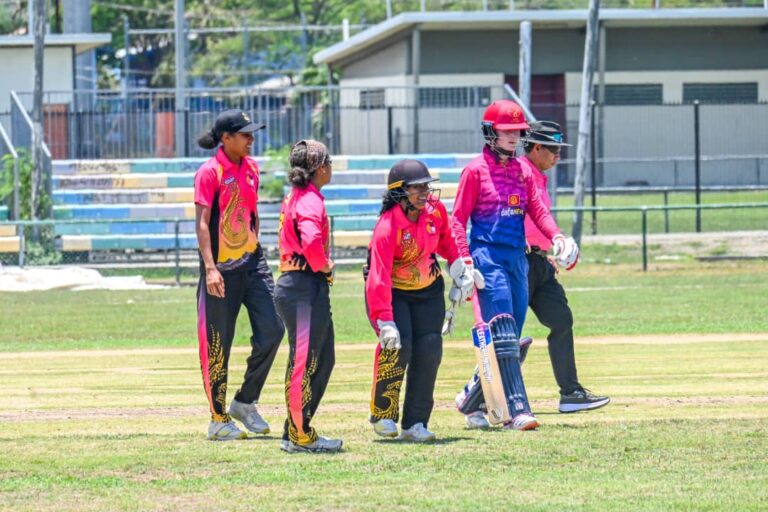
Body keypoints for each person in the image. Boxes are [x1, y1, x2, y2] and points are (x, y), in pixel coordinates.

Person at [451, 100, 579, 431]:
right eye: (507, 130)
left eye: (517, 131)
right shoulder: (474, 171)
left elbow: (537, 211)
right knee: (506, 334)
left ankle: (471, 400)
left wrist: (557, 238)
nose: (513, 136)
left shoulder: (522, 171)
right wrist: (464, 259)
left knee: (509, 337)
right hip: (487, 257)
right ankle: (515, 411)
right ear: (491, 132)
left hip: (517, 259)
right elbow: (458, 220)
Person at [365, 159, 480, 442]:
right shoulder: (388, 226)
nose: (425, 193)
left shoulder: (434, 212)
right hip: (393, 293)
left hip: (428, 290)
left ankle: (415, 422)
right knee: (398, 346)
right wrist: (384, 319)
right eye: (417, 188)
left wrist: (459, 268)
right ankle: (384, 413)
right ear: (399, 192)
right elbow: (377, 276)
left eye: (426, 186)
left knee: (429, 350)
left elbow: (446, 241)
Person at [194, 109, 285, 441]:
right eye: (245, 134)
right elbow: (203, 223)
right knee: (219, 344)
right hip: (220, 271)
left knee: (274, 329)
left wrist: (258, 250)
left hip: (253, 264)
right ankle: (218, 420)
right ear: (226, 138)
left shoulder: (252, 168)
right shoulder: (209, 172)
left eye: (252, 133)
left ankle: (245, 402)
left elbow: (251, 212)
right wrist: (210, 269)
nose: (252, 138)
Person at [520, 121, 610, 413]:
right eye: (553, 149)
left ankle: (570, 393)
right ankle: (482, 396)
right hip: (516, 262)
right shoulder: (520, 174)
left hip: (538, 260)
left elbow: (537, 221)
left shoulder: (540, 177)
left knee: (561, 319)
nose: (558, 156)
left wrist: (546, 250)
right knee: (507, 332)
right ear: (536, 148)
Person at [274, 140, 343, 454]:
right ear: (319, 168)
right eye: (328, 161)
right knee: (305, 362)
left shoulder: (302, 197)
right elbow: (313, 241)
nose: (331, 166)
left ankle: (296, 430)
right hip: (303, 286)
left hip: (303, 286)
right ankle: (299, 434)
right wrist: (325, 267)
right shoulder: (309, 201)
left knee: (323, 358)